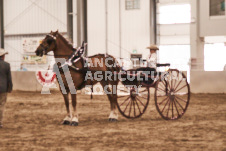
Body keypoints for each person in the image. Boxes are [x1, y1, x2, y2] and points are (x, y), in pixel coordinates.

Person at [0, 48, 13, 128]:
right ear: (3, 56)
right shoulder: (7, 65)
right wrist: (10, 87)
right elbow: (9, 78)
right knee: (1, 105)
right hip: (3, 88)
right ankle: (0, 122)